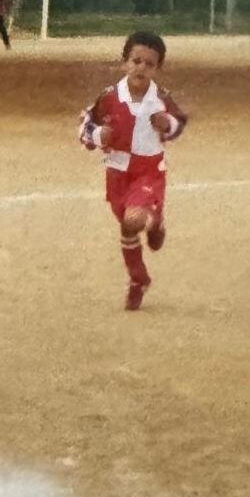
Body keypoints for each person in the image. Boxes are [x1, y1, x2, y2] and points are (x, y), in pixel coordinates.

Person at [78, 31, 188, 311]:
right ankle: (139, 278)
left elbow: (179, 123)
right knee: (127, 227)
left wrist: (168, 124)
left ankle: (153, 222)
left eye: (149, 64)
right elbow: (86, 125)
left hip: (148, 171)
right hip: (117, 172)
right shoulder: (110, 98)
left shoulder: (161, 99)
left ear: (157, 68)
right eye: (136, 61)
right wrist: (98, 134)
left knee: (134, 218)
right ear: (124, 62)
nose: (141, 68)